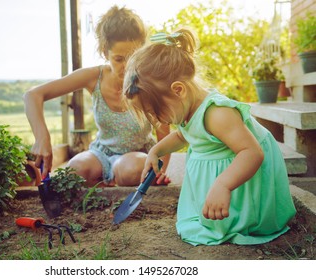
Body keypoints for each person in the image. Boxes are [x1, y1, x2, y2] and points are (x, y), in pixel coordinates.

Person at [123, 29, 296, 245]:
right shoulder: (186, 109)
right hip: (228, 172)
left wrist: (223, 185)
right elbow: (182, 135)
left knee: (228, 221)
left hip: (244, 172)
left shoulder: (217, 114)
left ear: (178, 90)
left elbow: (251, 153)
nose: (157, 121)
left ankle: (246, 218)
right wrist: (155, 150)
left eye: (156, 112)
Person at [24, 6, 171, 187]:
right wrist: (42, 138)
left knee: (130, 169)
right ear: (104, 51)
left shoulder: (150, 83)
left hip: (136, 157)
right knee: (74, 169)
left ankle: (111, 181)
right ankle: (106, 181)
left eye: (133, 57)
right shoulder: (94, 77)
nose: (127, 66)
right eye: (119, 59)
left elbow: (164, 135)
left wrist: (159, 171)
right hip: (101, 154)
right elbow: (33, 95)